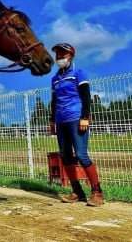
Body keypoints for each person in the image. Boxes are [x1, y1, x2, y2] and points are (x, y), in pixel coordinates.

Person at [49, 43, 104, 206]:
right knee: (65, 156)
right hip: (61, 120)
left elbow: (86, 95)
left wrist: (85, 116)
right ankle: (77, 192)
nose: (59, 57)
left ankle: (97, 192)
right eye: (57, 55)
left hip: (76, 117)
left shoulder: (79, 72)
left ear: (71, 56)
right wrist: (52, 120)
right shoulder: (55, 79)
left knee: (81, 154)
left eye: (63, 54)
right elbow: (54, 101)